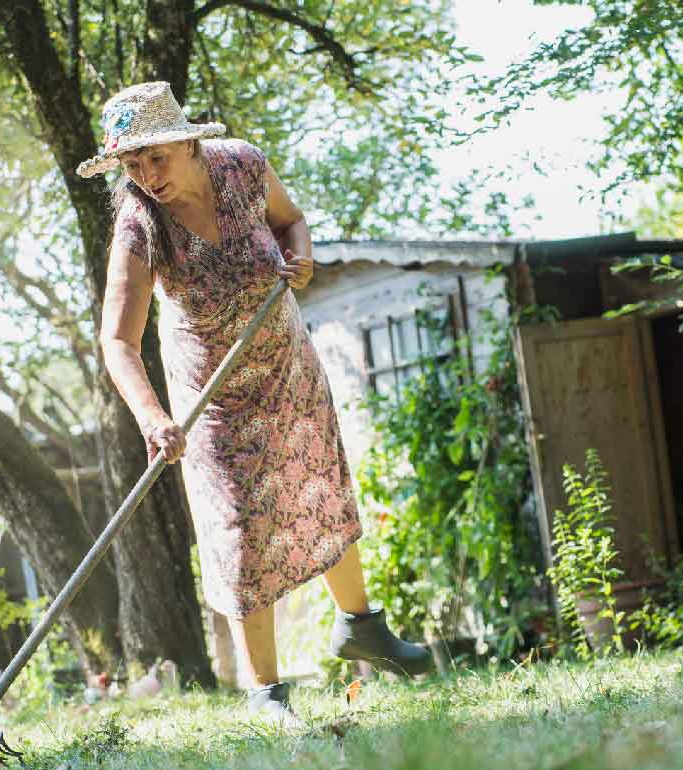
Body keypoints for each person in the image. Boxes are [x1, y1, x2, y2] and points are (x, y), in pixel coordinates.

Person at [78, 82, 432, 726]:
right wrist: (153, 417)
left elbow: (289, 222)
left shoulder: (241, 165)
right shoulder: (139, 222)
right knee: (238, 530)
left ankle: (363, 629)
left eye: (156, 157)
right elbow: (117, 341)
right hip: (212, 402)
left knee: (321, 487)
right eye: (132, 165)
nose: (147, 176)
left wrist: (301, 257)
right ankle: (266, 693)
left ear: (189, 141)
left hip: (288, 369)